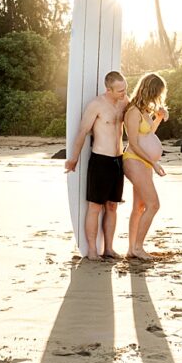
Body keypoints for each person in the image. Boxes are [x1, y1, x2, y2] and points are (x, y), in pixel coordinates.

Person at [64, 69, 129, 259]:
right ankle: (92, 250)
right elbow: (82, 132)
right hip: (100, 160)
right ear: (108, 89)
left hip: (118, 160)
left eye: (125, 89)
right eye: (119, 91)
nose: (124, 93)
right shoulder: (96, 105)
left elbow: (138, 117)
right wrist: (73, 158)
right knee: (95, 206)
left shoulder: (125, 102)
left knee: (112, 206)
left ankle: (108, 248)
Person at [122, 72, 168, 261]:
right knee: (153, 204)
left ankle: (132, 249)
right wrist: (154, 163)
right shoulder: (133, 112)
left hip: (144, 162)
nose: (158, 98)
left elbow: (147, 134)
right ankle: (139, 248)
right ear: (151, 90)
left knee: (140, 206)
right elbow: (133, 143)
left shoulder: (143, 110)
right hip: (134, 160)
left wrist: (157, 118)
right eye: (158, 94)